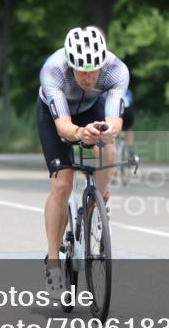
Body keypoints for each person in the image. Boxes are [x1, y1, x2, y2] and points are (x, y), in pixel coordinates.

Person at [37, 25, 129, 294]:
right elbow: (64, 126)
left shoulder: (116, 70)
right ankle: (53, 262)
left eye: (93, 71)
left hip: (91, 108)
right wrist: (80, 133)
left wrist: (108, 131)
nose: (88, 78)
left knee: (109, 150)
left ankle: (93, 208)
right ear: (69, 64)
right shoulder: (53, 70)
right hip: (55, 115)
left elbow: (115, 118)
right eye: (81, 71)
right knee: (62, 185)